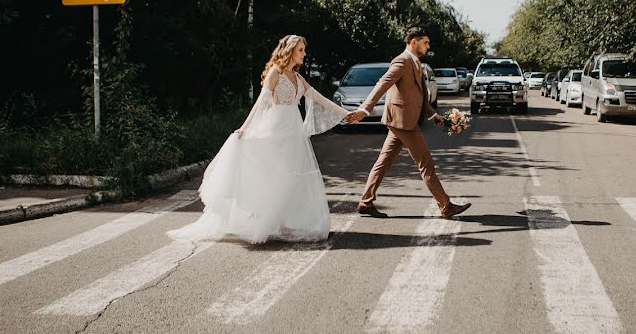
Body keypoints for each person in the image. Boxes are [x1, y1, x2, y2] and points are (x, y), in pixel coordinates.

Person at [167, 35, 357, 243]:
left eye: (304, 50)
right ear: (290, 51)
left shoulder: (297, 77)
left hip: (293, 132)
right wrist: (245, 128)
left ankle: (284, 222)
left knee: (290, 177)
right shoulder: (275, 72)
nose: (304, 54)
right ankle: (262, 217)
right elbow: (261, 102)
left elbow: (317, 97)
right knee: (273, 175)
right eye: (300, 50)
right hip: (275, 128)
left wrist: (344, 113)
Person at [347, 26, 471, 219]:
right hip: (403, 122)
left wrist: (433, 115)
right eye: (426, 42)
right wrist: (365, 109)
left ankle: (366, 202)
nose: (428, 46)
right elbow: (382, 84)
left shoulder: (416, 63)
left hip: (401, 121)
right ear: (414, 42)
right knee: (426, 164)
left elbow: (419, 95)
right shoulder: (402, 61)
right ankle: (446, 206)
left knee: (383, 162)